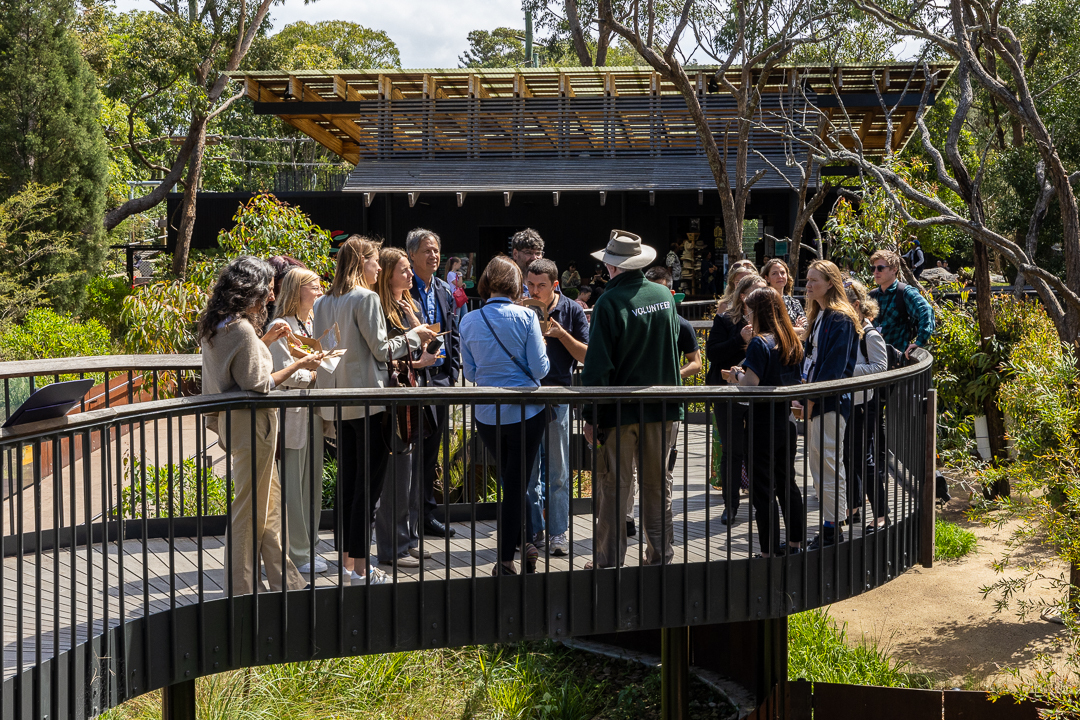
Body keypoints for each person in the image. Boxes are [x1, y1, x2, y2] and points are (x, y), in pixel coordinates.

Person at [314, 236, 436, 585]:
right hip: (369, 403)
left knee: (348, 487)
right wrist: (416, 335)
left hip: (339, 403)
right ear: (360, 262)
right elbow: (382, 350)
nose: (379, 267)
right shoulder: (365, 298)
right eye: (374, 261)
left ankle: (348, 565)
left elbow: (329, 351)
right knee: (367, 490)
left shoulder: (323, 302)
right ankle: (361, 570)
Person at [199, 256, 323, 595]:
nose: (271, 296)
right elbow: (258, 383)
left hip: (238, 423)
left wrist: (264, 342)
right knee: (250, 509)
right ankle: (242, 590)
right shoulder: (240, 328)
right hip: (253, 424)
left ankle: (286, 581)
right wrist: (301, 363)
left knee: (267, 505)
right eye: (267, 289)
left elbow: (236, 369)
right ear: (249, 289)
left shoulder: (219, 322)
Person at [581, 230, 682, 569]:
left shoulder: (608, 303)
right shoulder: (664, 296)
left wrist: (591, 415)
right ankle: (660, 558)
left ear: (611, 266)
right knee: (657, 487)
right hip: (664, 407)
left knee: (615, 488)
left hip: (619, 412)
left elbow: (598, 366)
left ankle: (608, 562)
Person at [459, 255, 550, 575]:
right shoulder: (526, 317)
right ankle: (508, 558)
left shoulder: (468, 321)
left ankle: (523, 543)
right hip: (527, 412)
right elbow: (540, 369)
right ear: (516, 285)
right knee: (515, 483)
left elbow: (470, 373)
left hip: (488, 414)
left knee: (512, 480)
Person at [726, 287, 805, 556]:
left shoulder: (760, 343)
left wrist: (736, 375)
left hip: (762, 422)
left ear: (759, 311)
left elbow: (751, 385)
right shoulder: (791, 339)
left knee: (762, 488)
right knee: (787, 482)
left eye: (749, 311)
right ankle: (795, 543)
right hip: (786, 420)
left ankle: (768, 551)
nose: (747, 316)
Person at [374, 247, 439, 570]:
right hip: (393, 401)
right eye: (403, 269)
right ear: (388, 275)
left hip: (412, 395)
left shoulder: (406, 305)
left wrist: (415, 322)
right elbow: (384, 357)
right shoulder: (380, 310)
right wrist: (418, 361)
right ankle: (393, 547)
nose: (410, 274)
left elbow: (424, 341)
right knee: (397, 476)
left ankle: (408, 539)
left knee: (411, 474)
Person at [524, 258, 590, 556]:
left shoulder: (572, 310)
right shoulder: (522, 309)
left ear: (555, 285)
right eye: (530, 284)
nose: (534, 291)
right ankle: (534, 530)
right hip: (527, 395)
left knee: (558, 471)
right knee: (529, 471)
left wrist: (561, 334)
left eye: (541, 285)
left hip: (559, 395)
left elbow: (587, 356)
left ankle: (558, 533)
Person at [266, 267, 328, 576]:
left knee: (312, 485)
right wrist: (316, 375)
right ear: (297, 290)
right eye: (314, 286)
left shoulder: (313, 323)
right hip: (292, 415)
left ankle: (308, 546)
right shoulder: (281, 325)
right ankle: (296, 553)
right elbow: (284, 373)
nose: (320, 291)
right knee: (293, 487)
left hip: (313, 413)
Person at [801, 259, 861, 550]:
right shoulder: (820, 315)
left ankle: (832, 529)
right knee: (818, 465)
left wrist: (811, 398)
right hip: (816, 401)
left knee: (828, 465)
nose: (808, 285)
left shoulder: (840, 319)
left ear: (830, 283)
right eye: (808, 279)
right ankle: (829, 525)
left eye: (814, 280)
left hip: (830, 403)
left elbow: (834, 368)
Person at [407, 228, 462, 540]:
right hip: (412, 376)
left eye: (436, 250)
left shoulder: (442, 288)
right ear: (412, 254)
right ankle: (405, 519)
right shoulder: (403, 289)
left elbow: (452, 332)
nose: (433, 256)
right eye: (427, 250)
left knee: (431, 453)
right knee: (409, 452)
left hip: (440, 378)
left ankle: (427, 515)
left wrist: (452, 373)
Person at [706, 273, 767, 525]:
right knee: (731, 450)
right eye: (756, 291)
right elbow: (712, 353)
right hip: (727, 393)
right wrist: (739, 339)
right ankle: (730, 505)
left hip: (758, 394)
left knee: (757, 449)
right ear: (743, 296)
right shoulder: (725, 319)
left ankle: (761, 503)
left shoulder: (768, 321)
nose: (762, 295)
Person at [844, 279, 889, 533]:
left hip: (863, 403)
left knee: (865, 460)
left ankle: (881, 514)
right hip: (849, 402)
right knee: (847, 457)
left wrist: (846, 370)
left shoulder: (870, 335)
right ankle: (853, 507)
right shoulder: (850, 330)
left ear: (856, 305)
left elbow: (880, 368)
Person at [868, 249, 935, 357]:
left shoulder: (904, 292)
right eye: (873, 268)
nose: (876, 272)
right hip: (873, 358)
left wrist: (919, 342)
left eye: (880, 268)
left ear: (894, 269)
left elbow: (926, 310)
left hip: (897, 359)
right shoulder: (872, 295)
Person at [645, 266, 702, 379]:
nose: (653, 296)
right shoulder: (633, 322)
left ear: (671, 294)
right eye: (649, 291)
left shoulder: (682, 325)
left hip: (666, 388)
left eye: (659, 291)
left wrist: (672, 376)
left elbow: (696, 363)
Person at [761, 258, 806, 331]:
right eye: (774, 273)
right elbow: (770, 330)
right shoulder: (763, 302)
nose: (780, 276)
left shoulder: (794, 303)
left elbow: (805, 329)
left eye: (782, 273)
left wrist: (798, 330)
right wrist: (797, 329)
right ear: (767, 278)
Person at [511, 228, 544, 297]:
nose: (534, 258)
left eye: (538, 253)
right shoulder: (507, 282)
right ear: (515, 254)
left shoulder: (548, 280)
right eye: (528, 253)